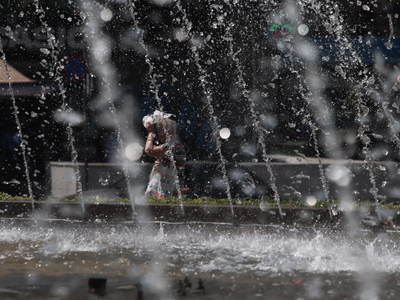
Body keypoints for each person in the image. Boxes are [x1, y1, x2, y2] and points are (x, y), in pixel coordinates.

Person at [144, 113, 188, 199]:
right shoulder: (172, 146)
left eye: (163, 130)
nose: (160, 134)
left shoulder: (173, 147)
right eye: (158, 130)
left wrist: (150, 133)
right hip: (166, 194)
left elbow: (148, 150)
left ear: (171, 132)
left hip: (171, 195)